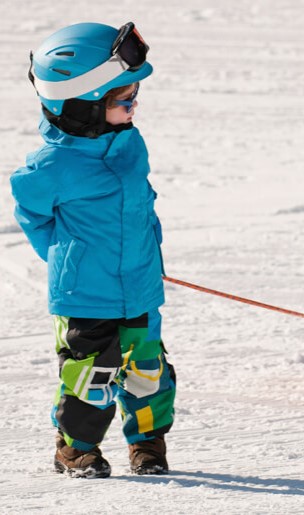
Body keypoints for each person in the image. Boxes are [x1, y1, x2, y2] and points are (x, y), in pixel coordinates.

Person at [10, 22, 175, 478]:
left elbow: (142, 206)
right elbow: (33, 213)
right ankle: (75, 448)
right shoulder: (52, 166)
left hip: (139, 284)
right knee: (91, 377)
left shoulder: (129, 143)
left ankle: (147, 444)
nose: (134, 105)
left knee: (148, 371)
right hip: (86, 293)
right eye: (124, 100)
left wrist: (149, 255)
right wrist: (71, 257)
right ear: (83, 108)